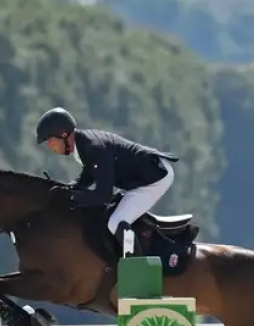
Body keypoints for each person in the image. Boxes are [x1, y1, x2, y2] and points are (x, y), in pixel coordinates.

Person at [35, 107, 179, 254]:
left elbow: (103, 196)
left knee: (116, 222)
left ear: (63, 135)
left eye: (50, 141)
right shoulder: (83, 145)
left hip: (156, 176)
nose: (49, 146)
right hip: (140, 178)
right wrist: (66, 189)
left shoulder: (93, 147)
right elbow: (87, 176)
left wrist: (71, 197)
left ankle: (138, 271)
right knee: (109, 216)